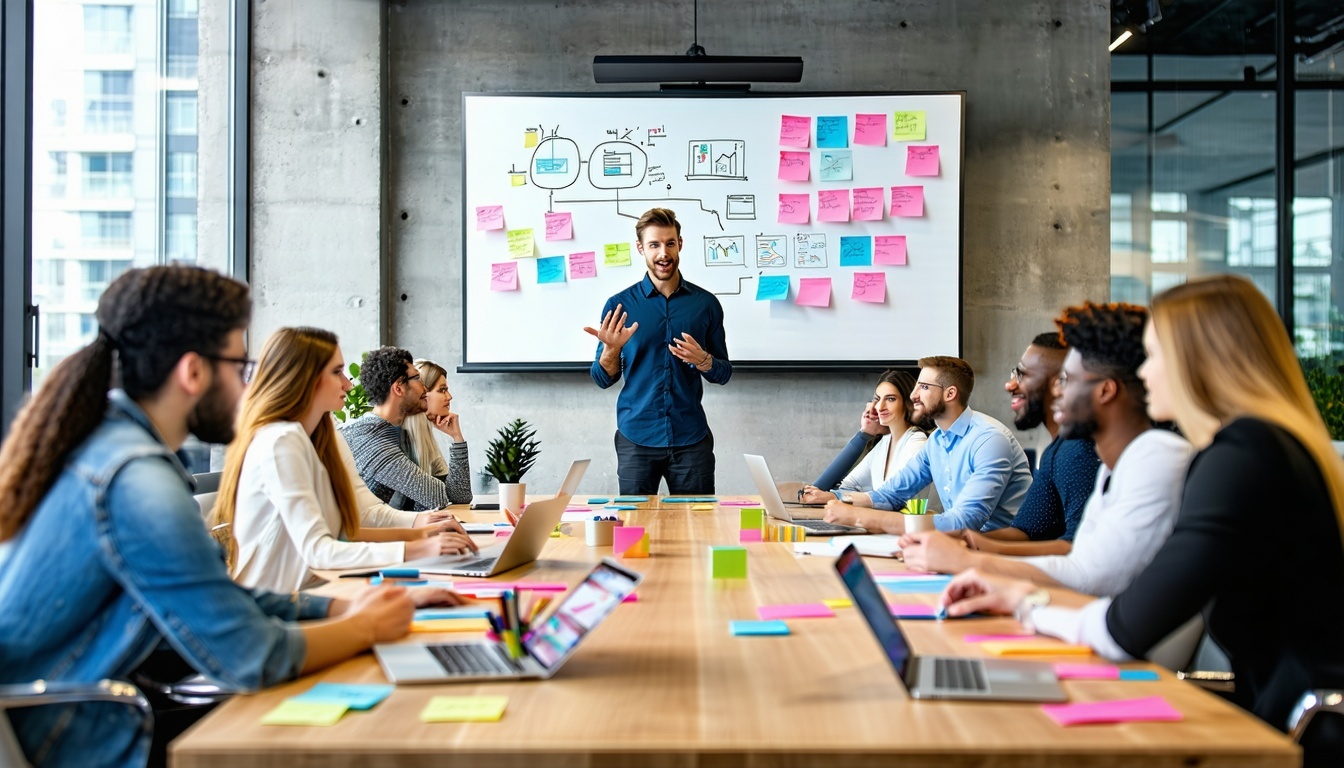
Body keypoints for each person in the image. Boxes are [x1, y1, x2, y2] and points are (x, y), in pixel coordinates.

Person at [0, 267, 462, 767]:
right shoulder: (136, 481)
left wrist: (338, 610)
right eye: (239, 364)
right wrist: (368, 626)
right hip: (94, 736)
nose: (249, 382)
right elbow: (252, 657)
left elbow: (222, 600)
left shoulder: (112, 451)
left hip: (108, 712)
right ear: (193, 371)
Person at [937, 276, 1344, 766]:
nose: (1144, 375)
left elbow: (1123, 629)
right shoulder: (1263, 446)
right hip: (1276, 715)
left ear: (1199, 363)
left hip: (1297, 736)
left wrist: (1026, 601)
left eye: (1154, 357)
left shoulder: (1241, 458)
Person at [902, 304, 1192, 598]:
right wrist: (969, 543)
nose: (1057, 392)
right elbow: (1034, 530)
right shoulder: (1098, 461)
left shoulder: (1130, 457)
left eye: (1066, 381)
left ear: (1106, 390)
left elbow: (1085, 568)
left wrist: (972, 560)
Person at [214, 329, 476, 594]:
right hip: (282, 599)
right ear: (306, 379)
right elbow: (318, 549)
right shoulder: (279, 441)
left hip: (320, 584)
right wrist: (416, 547)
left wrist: (422, 529)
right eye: (337, 372)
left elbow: (363, 513)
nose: (348, 384)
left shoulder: (328, 433)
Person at [585, 207, 731, 494]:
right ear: (641, 248)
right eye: (654, 244)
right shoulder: (619, 306)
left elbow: (723, 374)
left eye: (670, 243)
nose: (663, 252)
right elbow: (603, 378)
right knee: (635, 530)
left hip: (691, 438)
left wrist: (704, 360)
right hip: (636, 438)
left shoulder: (705, 305)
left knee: (699, 528)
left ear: (680, 244)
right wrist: (611, 351)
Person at [823, 356, 1032, 534]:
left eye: (923, 387)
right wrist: (835, 498)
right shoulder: (936, 441)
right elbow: (891, 494)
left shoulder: (989, 440)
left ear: (950, 394)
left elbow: (965, 522)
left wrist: (862, 518)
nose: (913, 395)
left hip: (1003, 552)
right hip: (963, 546)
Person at [960, 332, 1101, 556]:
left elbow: (1078, 546)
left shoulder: (1078, 450)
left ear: (1060, 383)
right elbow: (1026, 531)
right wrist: (959, 541)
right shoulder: (1056, 450)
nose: (1009, 385)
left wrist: (969, 551)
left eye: (1022, 374)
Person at [340, 347, 473, 510]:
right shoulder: (373, 441)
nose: (424, 388)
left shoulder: (388, 432)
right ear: (398, 388)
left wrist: (457, 439)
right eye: (417, 378)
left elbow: (458, 496)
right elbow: (438, 498)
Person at [798, 370, 928, 503]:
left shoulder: (916, 443)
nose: (880, 406)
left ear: (908, 403)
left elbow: (896, 496)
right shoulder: (885, 442)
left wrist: (836, 496)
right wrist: (865, 433)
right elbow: (843, 487)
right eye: (877, 399)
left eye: (890, 399)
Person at [400, 358, 470, 491]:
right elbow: (430, 501)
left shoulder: (428, 441)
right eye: (442, 390)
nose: (449, 397)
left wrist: (457, 438)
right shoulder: (398, 439)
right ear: (422, 393)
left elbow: (460, 495)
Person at [808, 396, 890, 492]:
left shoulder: (891, 450)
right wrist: (864, 435)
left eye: (875, 412)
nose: (868, 412)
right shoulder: (869, 444)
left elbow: (819, 489)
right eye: (874, 400)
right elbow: (817, 489)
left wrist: (864, 436)